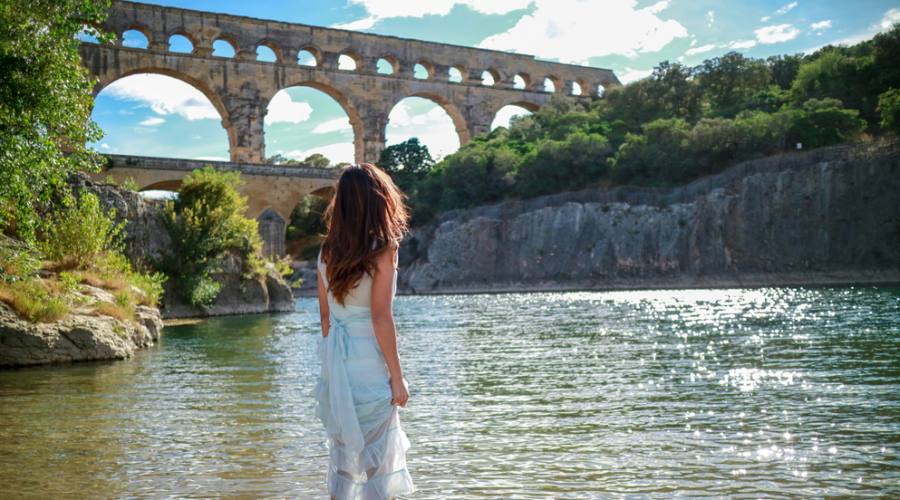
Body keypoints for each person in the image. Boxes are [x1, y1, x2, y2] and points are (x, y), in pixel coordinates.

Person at [314, 163, 416, 500]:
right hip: (368, 365)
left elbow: (326, 319)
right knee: (379, 467)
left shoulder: (326, 253)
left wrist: (332, 371)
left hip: (336, 365)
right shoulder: (384, 249)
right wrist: (397, 376)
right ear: (379, 200)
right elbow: (380, 317)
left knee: (343, 461)